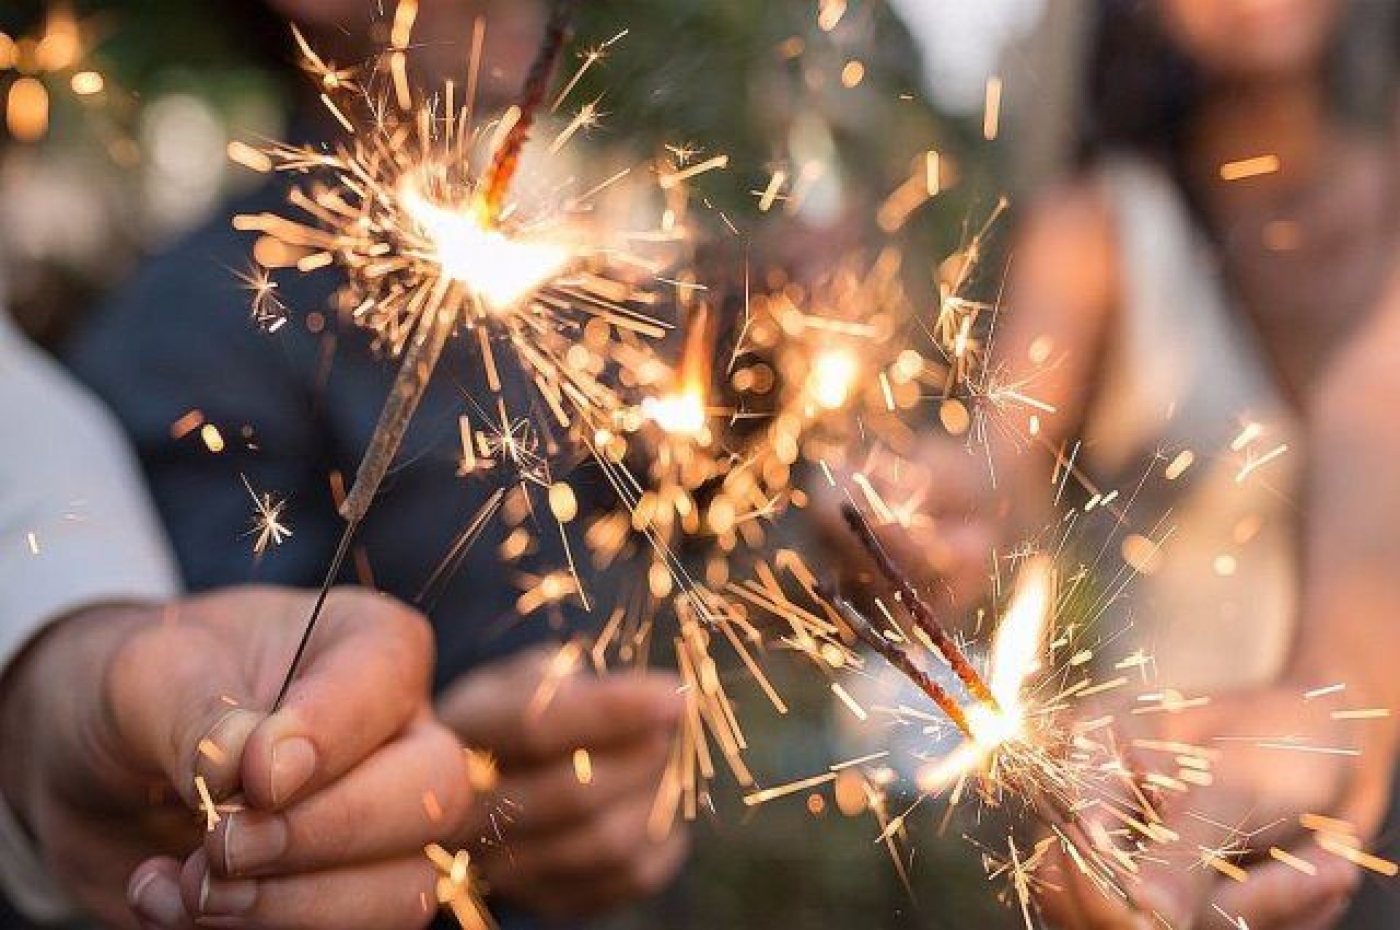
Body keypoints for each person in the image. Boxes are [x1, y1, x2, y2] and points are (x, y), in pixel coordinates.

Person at [62, 0, 688, 927]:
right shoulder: (186, 340)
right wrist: (459, 791)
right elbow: (239, 751)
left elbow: (661, 520)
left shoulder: (559, 298)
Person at [865, 0, 1400, 926]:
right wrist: (937, 509)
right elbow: (1003, 464)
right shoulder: (1099, 229)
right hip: (1139, 814)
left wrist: (1332, 711)